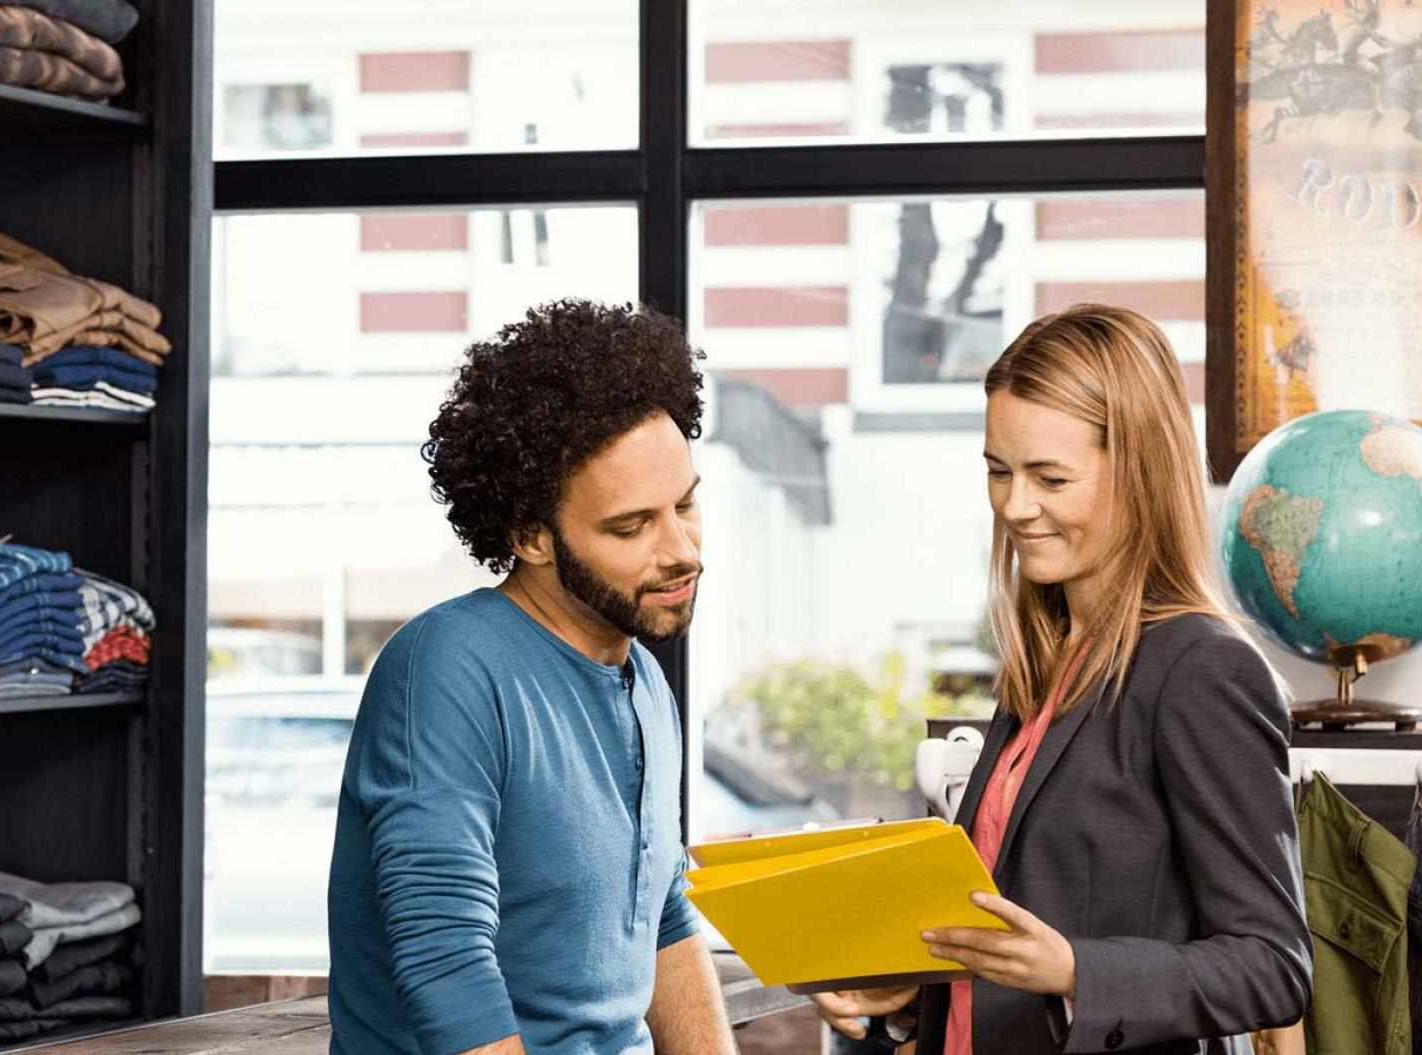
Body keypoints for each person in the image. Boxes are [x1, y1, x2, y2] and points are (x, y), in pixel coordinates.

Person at [814, 304, 1312, 1053]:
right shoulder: (1043, 665)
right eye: (998, 471)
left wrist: (1079, 969)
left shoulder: (1202, 670)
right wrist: (918, 989)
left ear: (1139, 472)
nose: (1015, 506)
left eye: (1050, 476)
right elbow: (1013, 923)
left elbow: (1273, 966)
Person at [325, 299, 735, 1055]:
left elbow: (661, 914)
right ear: (529, 534)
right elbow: (445, 959)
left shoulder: (643, 675)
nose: (682, 550)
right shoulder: (446, 667)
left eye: (685, 503)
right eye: (632, 525)